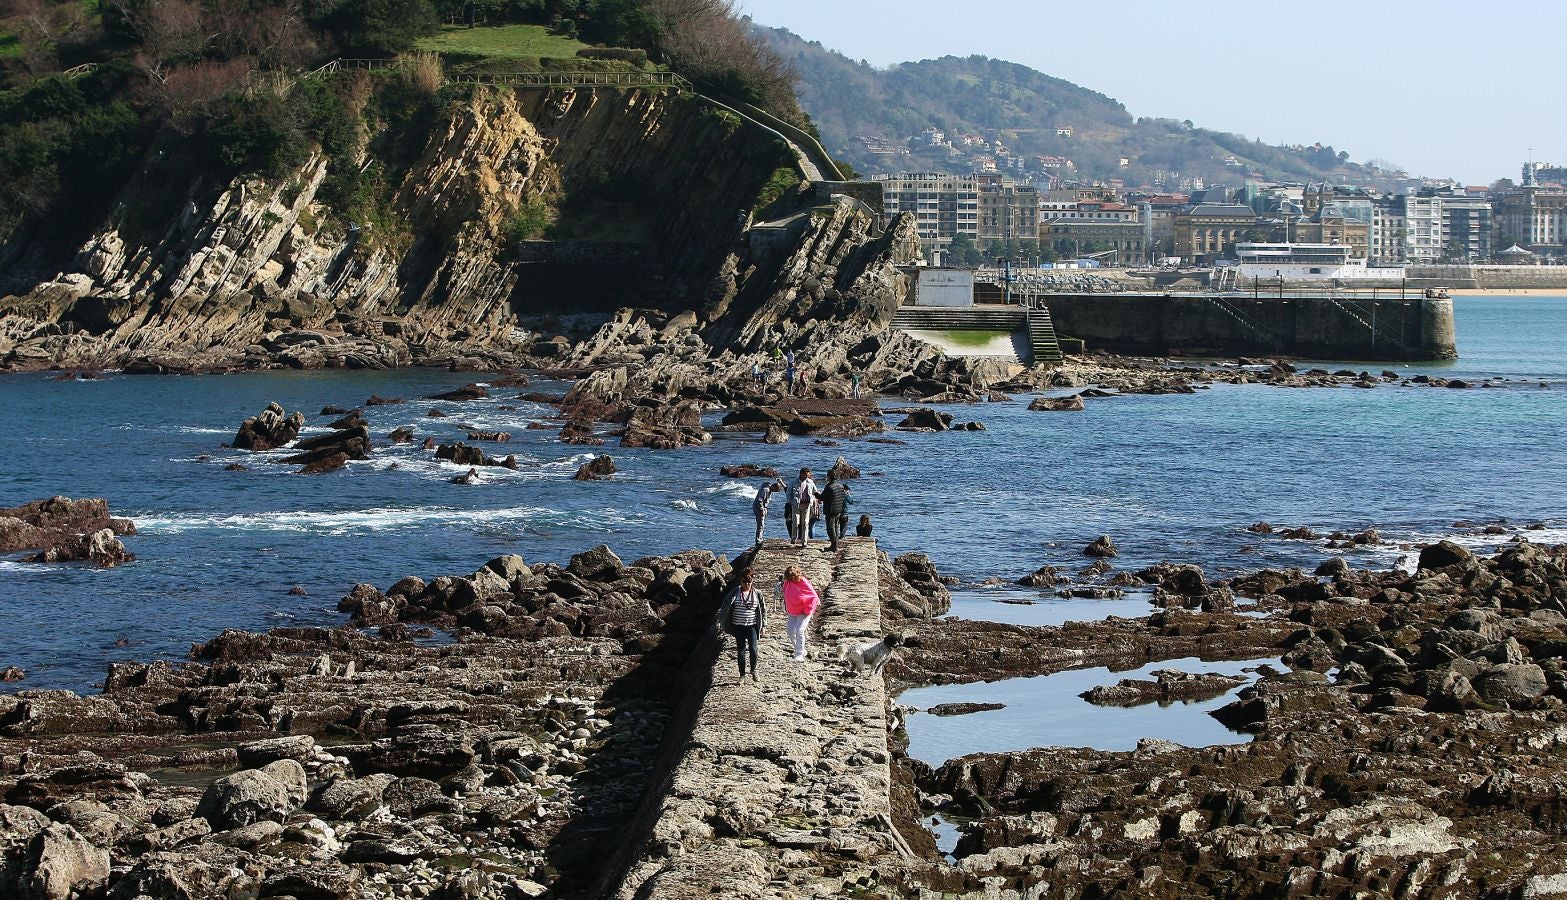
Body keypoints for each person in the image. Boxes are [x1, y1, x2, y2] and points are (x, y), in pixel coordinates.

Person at [718, 569, 766, 681]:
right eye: (745, 581)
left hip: (752, 626)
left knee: (754, 649)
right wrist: (721, 621)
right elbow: (725, 606)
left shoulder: (757, 593)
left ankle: (754, 670)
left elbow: (763, 610)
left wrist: (764, 625)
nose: (747, 584)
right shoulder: (735, 592)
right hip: (738, 626)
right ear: (741, 581)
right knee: (741, 651)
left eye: (749, 581)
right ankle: (742, 675)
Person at [779, 564, 819, 662]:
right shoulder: (788, 582)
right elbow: (784, 590)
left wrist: (807, 609)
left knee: (800, 630)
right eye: (789, 577)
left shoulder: (804, 582)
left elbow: (813, 595)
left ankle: (799, 653)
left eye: (793, 576)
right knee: (789, 630)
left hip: (804, 610)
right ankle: (800, 648)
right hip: (793, 610)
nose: (792, 579)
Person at [819, 472, 851, 551]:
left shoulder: (829, 486)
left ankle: (833, 545)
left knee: (830, 528)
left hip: (830, 510)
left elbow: (822, 497)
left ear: (829, 477)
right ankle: (835, 544)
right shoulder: (840, 486)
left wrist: (816, 494)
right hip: (839, 510)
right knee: (836, 527)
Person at [752, 477, 786, 547]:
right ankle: (758, 541)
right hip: (758, 507)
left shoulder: (768, 488)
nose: (775, 492)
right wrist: (762, 510)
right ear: (773, 487)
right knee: (760, 525)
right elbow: (759, 500)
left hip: (761, 507)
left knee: (761, 525)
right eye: (776, 490)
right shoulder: (765, 490)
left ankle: (759, 539)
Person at [792, 468, 818, 547]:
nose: (807, 477)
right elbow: (789, 493)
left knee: (805, 523)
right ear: (801, 474)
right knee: (796, 523)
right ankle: (794, 538)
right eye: (805, 475)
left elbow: (815, 491)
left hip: (807, 505)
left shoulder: (810, 482)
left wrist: (816, 500)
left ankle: (804, 541)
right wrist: (791, 503)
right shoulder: (794, 482)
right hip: (796, 505)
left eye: (808, 475)